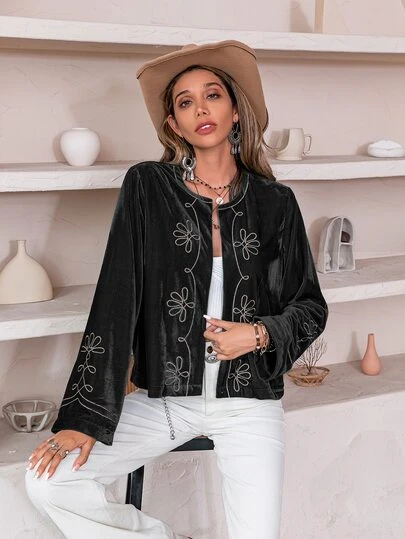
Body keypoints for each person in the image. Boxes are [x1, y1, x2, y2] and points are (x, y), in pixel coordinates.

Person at [25, 40, 328, 539]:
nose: (201, 109)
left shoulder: (276, 202)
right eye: (186, 102)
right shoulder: (148, 187)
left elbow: (310, 306)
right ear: (174, 125)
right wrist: (84, 416)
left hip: (248, 401)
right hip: (165, 399)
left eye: (213, 95)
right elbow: (116, 297)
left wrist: (256, 334)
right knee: (48, 482)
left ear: (235, 111)